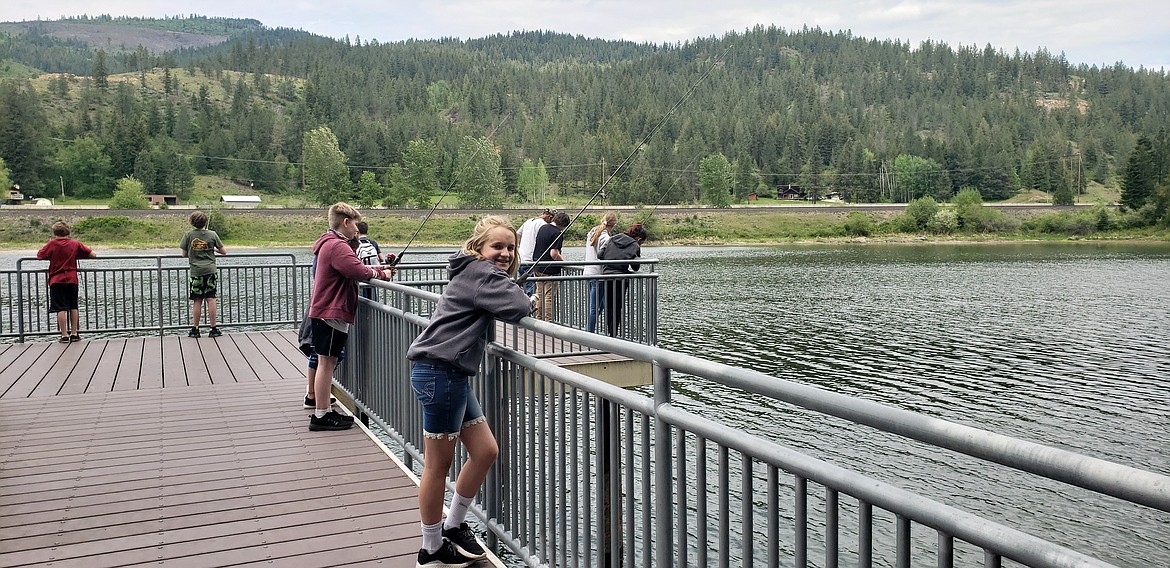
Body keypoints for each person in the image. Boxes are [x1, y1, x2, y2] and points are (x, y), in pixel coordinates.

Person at [406, 215, 531, 567]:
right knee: (436, 466)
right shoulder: (481, 273)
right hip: (440, 374)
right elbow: (518, 307)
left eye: (510, 247)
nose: (505, 253)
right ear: (479, 249)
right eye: (497, 246)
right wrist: (524, 295)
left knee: (486, 450)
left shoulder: (474, 272)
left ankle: (454, 525)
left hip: (450, 374)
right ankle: (430, 549)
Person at [307, 203, 394, 432]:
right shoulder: (337, 246)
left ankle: (322, 409)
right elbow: (359, 271)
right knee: (327, 362)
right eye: (355, 224)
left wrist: (374, 263)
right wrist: (382, 273)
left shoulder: (329, 243)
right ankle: (321, 415)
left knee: (327, 361)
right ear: (345, 222)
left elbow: (353, 266)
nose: (357, 229)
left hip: (325, 310)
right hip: (331, 311)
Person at [37, 221, 96, 343]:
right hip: (71, 278)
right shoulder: (75, 243)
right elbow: (93, 254)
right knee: (73, 306)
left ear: (55, 232)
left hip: (56, 280)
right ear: (68, 231)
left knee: (60, 308)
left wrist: (52, 256)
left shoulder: (52, 244)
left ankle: (64, 335)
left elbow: (40, 255)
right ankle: (74, 333)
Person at [179, 211, 227, 338]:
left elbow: (183, 254)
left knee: (197, 300)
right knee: (211, 299)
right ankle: (213, 329)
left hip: (196, 272)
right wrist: (213, 249)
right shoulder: (212, 234)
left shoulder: (188, 235)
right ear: (205, 222)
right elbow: (224, 251)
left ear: (192, 222)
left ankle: (195, 329)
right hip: (210, 271)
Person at [598, 223, 647, 338]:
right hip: (620, 280)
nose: (640, 244)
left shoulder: (613, 238)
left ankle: (609, 333)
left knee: (609, 307)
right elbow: (635, 267)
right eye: (642, 242)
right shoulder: (635, 246)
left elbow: (600, 254)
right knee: (617, 308)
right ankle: (613, 335)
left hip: (606, 277)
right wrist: (636, 257)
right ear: (639, 239)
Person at [532, 211, 569, 321]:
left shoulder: (543, 228)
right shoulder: (557, 233)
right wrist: (564, 262)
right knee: (548, 296)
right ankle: (548, 321)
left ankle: (539, 319)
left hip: (538, 266)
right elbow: (554, 253)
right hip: (550, 270)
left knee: (540, 295)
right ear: (564, 225)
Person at [583, 212, 617, 333]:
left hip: (588, 272)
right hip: (598, 274)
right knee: (595, 307)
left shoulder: (593, 231)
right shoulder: (605, 238)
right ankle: (589, 332)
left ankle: (587, 328)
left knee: (600, 304)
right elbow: (604, 255)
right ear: (614, 225)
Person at [516, 207, 554, 295]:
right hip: (532, 261)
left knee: (522, 286)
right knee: (530, 290)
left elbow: (517, 235)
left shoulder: (528, 221)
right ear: (549, 217)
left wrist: (522, 247)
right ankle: (529, 307)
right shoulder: (543, 224)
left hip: (521, 259)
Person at [354, 220, 384, 300]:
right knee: (372, 300)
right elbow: (382, 259)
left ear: (357, 231)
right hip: (373, 276)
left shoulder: (355, 244)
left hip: (360, 277)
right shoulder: (372, 243)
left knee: (361, 299)